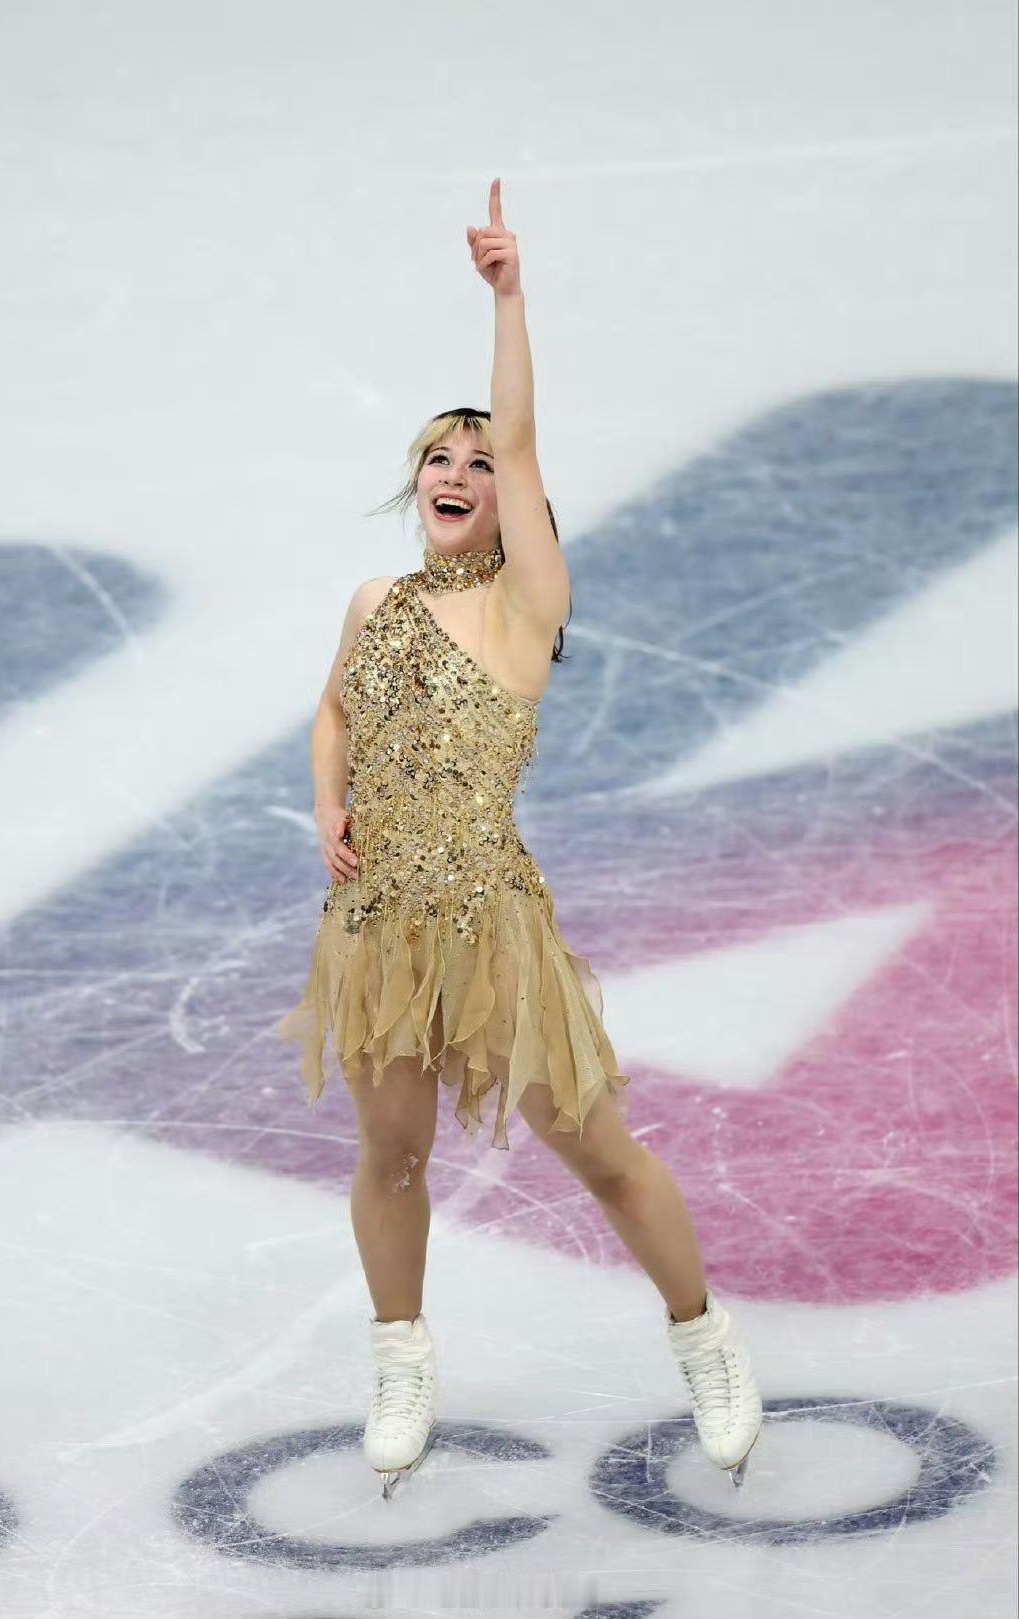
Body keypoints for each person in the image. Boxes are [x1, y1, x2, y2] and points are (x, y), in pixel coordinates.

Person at [278, 178, 763, 1498]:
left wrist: (509, 299)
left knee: (597, 1151)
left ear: (515, 505)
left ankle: (705, 1336)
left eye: (482, 465)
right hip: (376, 924)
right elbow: (334, 710)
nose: (460, 474)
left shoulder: (524, 608)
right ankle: (401, 1359)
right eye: (442, 458)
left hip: (491, 923)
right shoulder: (376, 600)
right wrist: (328, 801)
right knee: (391, 1154)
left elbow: (529, 439)